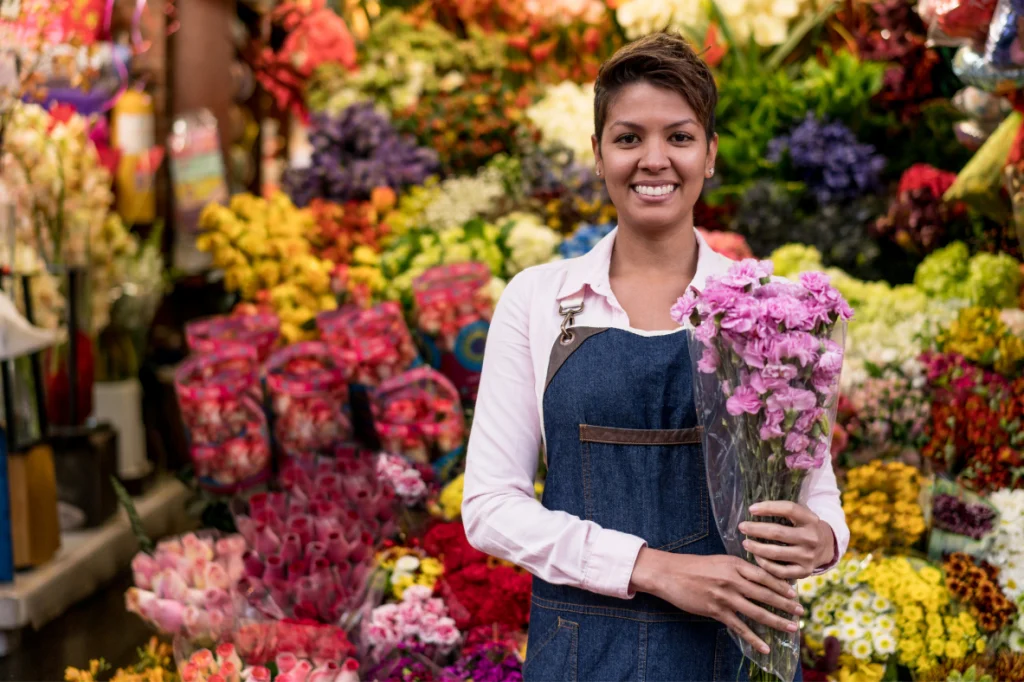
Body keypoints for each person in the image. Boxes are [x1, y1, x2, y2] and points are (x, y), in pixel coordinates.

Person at [461, 32, 849, 682]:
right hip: (579, 651)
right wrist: (656, 568)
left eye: (679, 136)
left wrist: (825, 537)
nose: (654, 159)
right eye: (628, 137)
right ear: (598, 152)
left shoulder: (764, 309)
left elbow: (815, 486)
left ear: (710, 154)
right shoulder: (539, 301)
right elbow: (491, 507)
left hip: (728, 650)